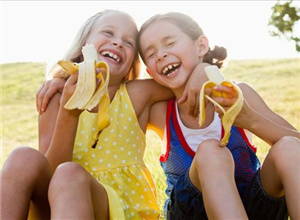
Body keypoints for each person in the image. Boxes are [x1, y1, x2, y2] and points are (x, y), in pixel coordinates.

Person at [0, 9, 186, 219]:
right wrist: (69, 113)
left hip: (118, 208)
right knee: (22, 158)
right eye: (108, 33)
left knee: (70, 174)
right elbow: (48, 173)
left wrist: (203, 68)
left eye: (128, 43)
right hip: (59, 200)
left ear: (131, 64)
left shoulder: (135, 94)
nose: (117, 43)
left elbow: (181, 81)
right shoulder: (55, 97)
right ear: (83, 44)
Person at [136, 12, 300, 220]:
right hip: (190, 212)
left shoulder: (241, 95)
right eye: (151, 54)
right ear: (150, 73)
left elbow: (297, 146)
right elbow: (125, 92)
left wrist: (250, 119)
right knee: (211, 152)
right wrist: (203, 68)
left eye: (169, 43)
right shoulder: (160, 111)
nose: (160, 55)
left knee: (289, 146)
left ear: (201, 46)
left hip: (252, 206)